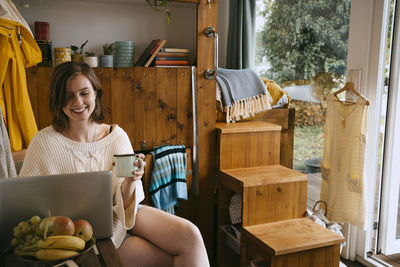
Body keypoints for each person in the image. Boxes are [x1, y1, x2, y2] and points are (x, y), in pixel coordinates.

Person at [18, 61, 210, 267]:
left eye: (84, 93)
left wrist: (130, 181)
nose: (78, 102)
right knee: (170, 260)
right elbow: (23, 202)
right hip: (71, 241)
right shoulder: (44, 142)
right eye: (68, 95)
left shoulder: (116, 137)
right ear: (58, 99)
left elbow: (128, 206)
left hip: (118, 224)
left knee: (191, 235)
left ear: (95, 93)